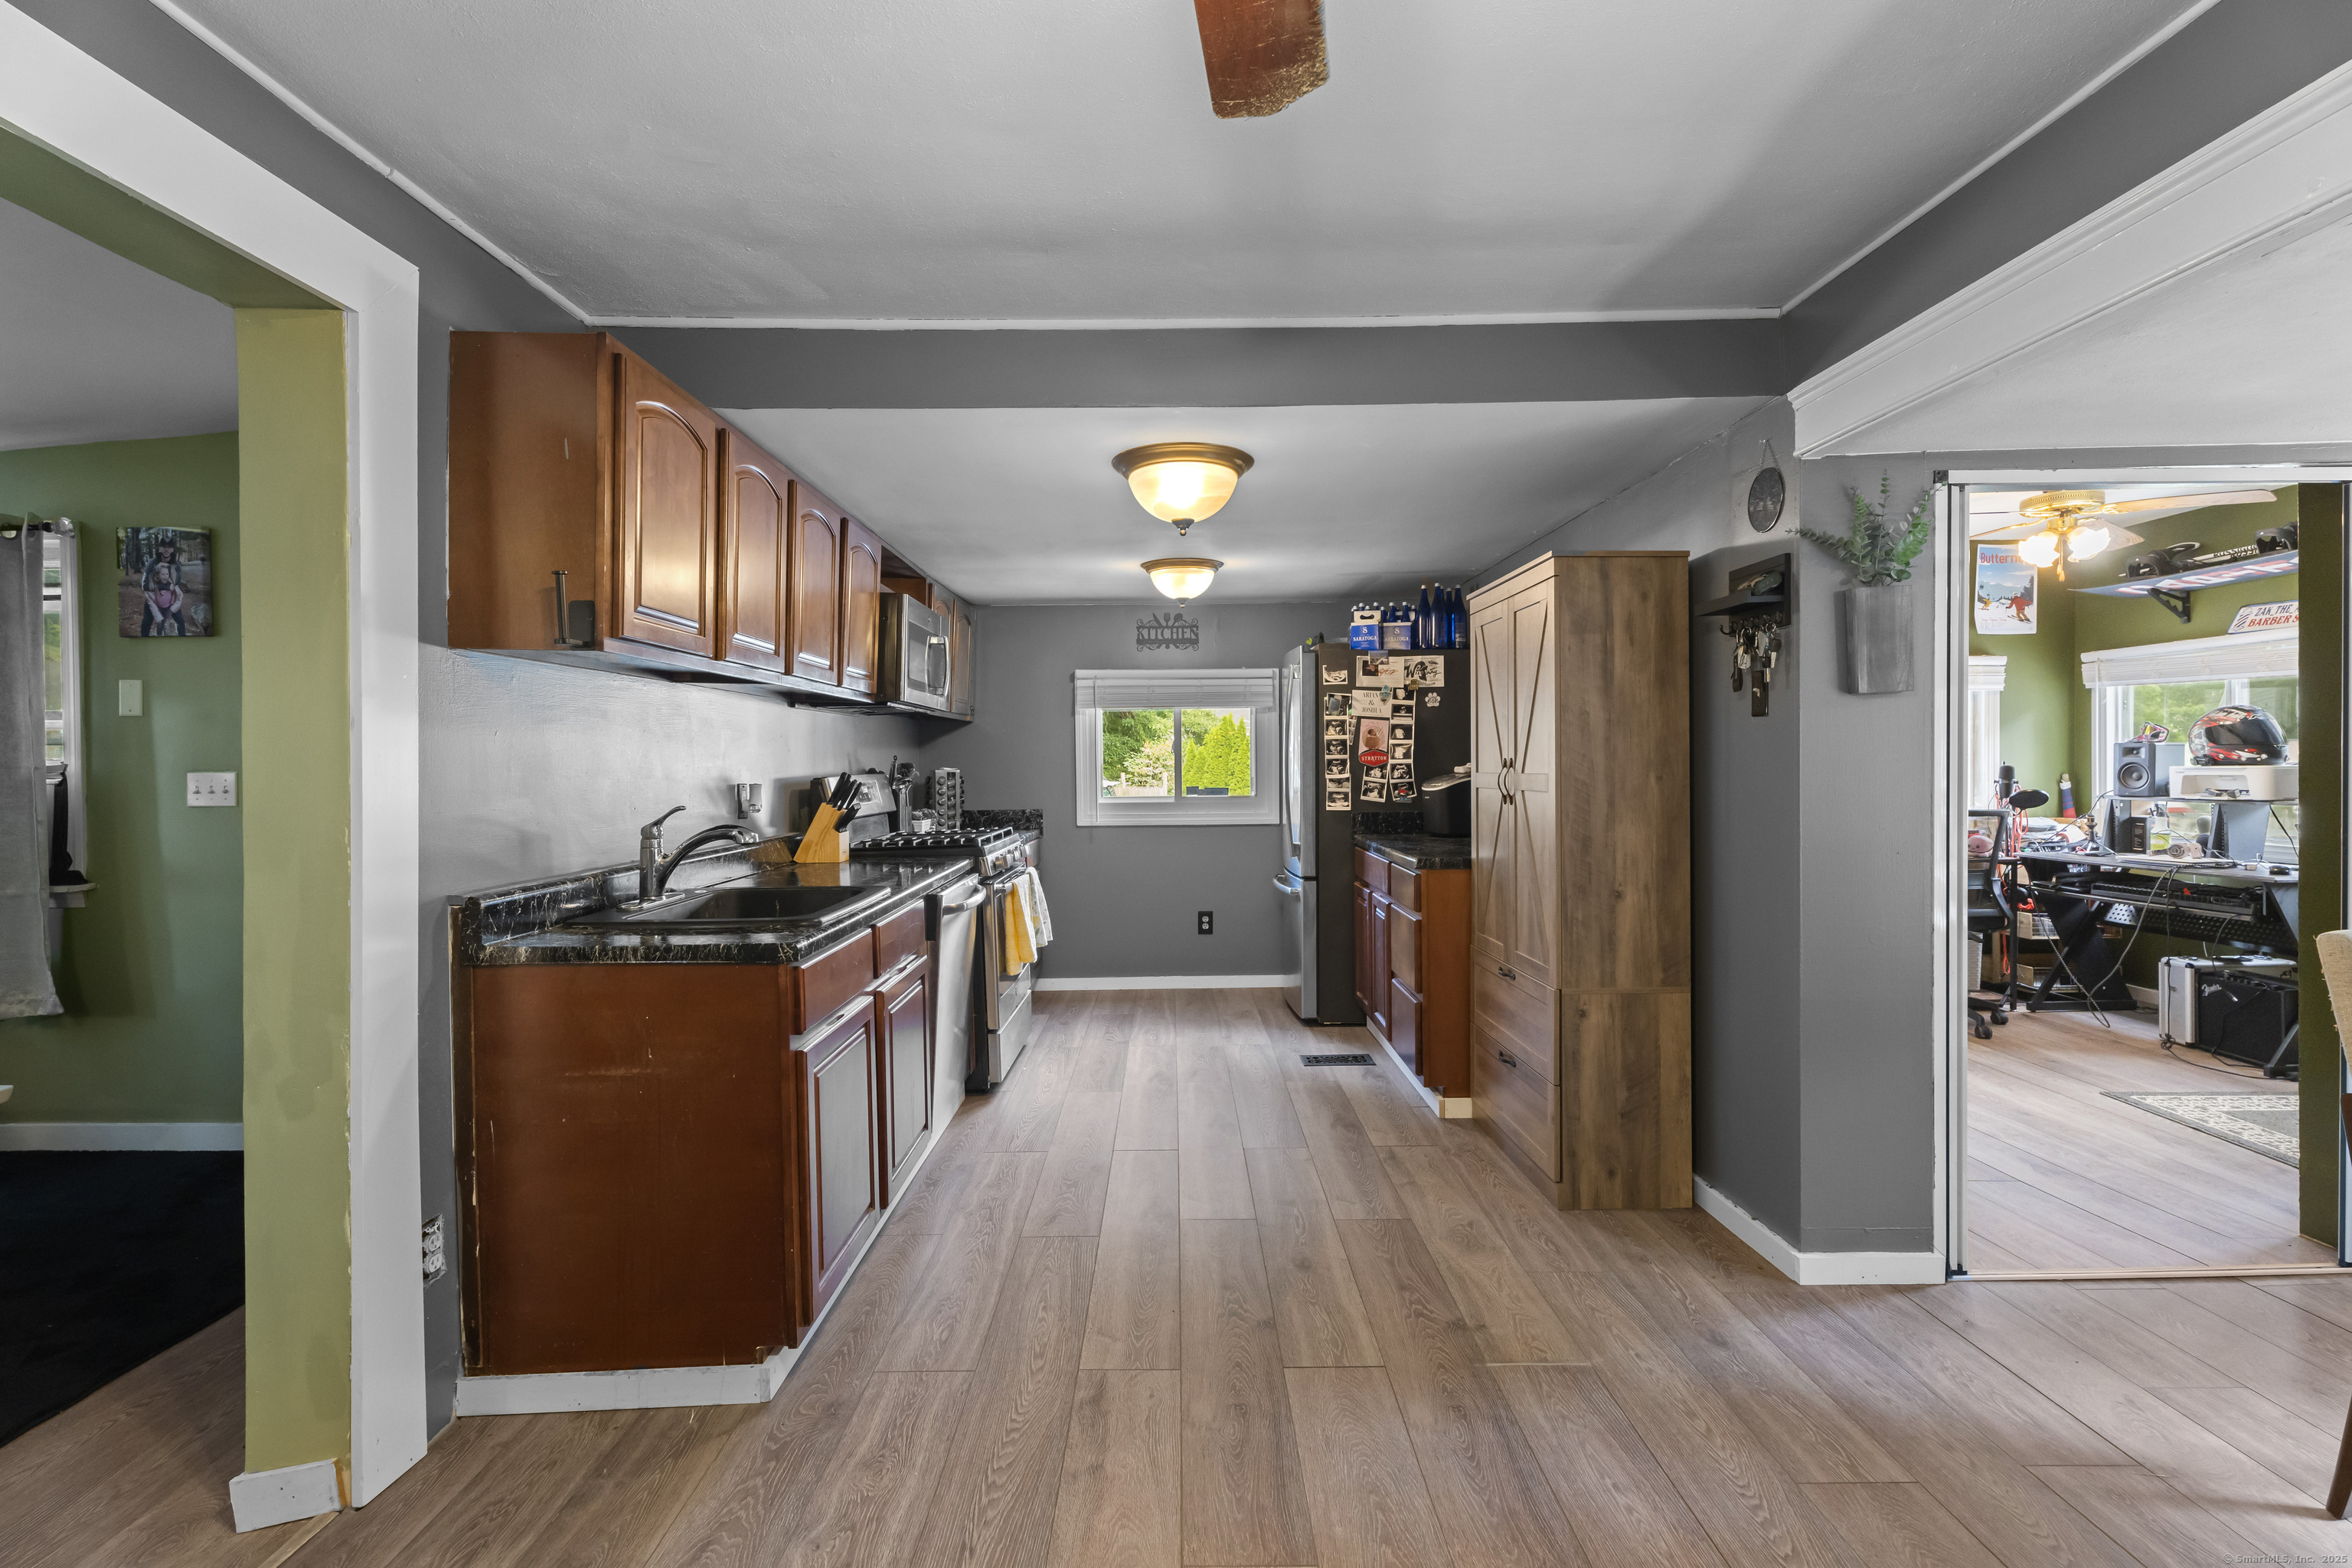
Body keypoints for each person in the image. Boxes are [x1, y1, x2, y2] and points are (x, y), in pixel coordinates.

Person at [139, 532, 186, 636]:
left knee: (181, 621)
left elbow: (176, 582)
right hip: (154, 599)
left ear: (173, 549)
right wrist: (162, 586)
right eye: (164, 546)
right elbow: (145, 585)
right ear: (160, 548)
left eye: (169, 547)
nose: (166, 549)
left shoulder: (176, 565)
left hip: (170, 601)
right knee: (146, 621)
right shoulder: (152, 563)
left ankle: (184, 641)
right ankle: (143, 642)